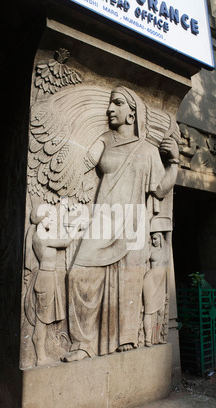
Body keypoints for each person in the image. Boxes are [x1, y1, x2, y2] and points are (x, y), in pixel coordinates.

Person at [61, 86, 179, 362]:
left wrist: (173, 162)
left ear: (132, 113)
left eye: (117, 103)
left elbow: (160, 189)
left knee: (129, 281)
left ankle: (126, 338)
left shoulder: (148, 150)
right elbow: (84, 163)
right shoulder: (104, 139)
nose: (110, 109)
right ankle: (83, 344)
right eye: (110, 104)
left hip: (134, 223)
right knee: (77, 275)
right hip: (103, 221)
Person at [24, 204, 84, 366]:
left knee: (43, 320)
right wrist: (77, 225)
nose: (52, 220)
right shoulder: (41, 237)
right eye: (50, 218)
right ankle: (41, 358)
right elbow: (64, 242)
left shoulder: (43, 236)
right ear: (42, 220)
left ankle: (42, 355)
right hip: (45, 278)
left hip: (48, 277)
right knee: (41, 321)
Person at [143, 232, 169, 347]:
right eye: (152, 239)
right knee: (148, 311)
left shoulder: (166, 250)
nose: (154, 241)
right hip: (150, 280)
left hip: (161, 282)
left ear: (161, 238)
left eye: (156, 239)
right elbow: (144, 258)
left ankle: (157, 337)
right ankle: (148, 339)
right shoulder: (150, 250)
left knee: (161, 311)